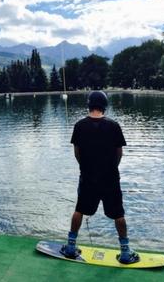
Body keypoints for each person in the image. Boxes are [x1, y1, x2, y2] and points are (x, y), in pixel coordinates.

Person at [60, 90, 140, 264]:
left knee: (80, 209)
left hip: (88, 176)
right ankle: (125, 252)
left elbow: (77, 152)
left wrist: (85, 167)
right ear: (104, 106)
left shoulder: (80, 126)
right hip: (110, 177)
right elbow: (119, 152)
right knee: (118, 213)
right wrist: (112, 168)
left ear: (89, 105)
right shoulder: (114, 126)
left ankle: (71, 246)